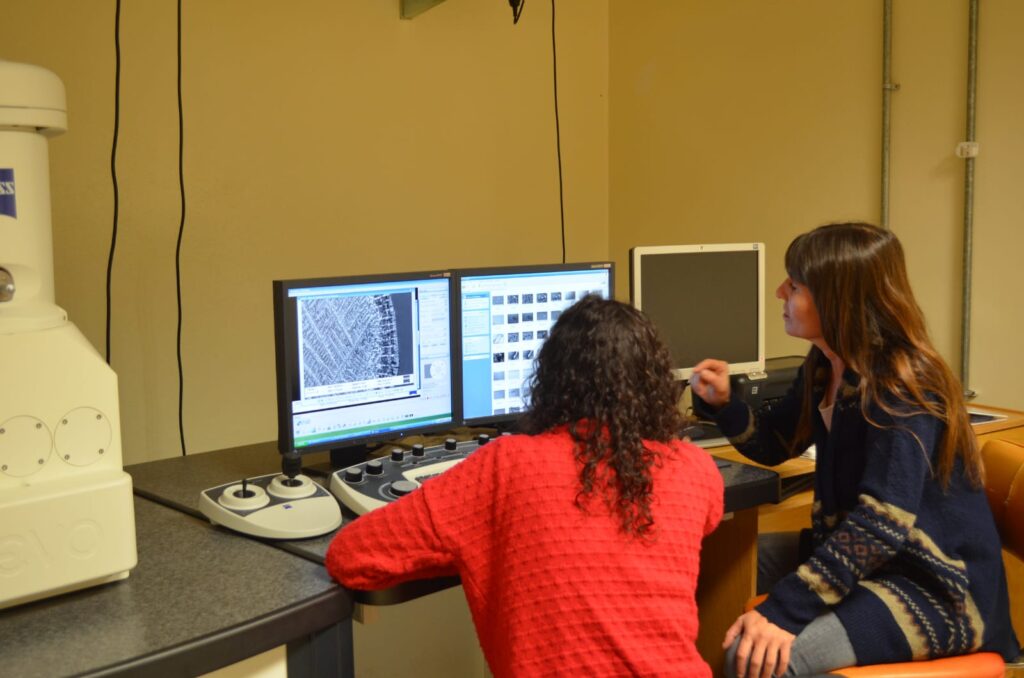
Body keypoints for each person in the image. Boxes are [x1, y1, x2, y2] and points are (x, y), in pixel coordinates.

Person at [326, 295, 724, 677]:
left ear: (552, 379)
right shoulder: (696, 470)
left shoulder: (507, 465)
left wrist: (480, 539)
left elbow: (350, 556)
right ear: (654, 384)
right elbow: (704, 518)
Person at [690, 222, 1020, 678]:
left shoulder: (899, 387)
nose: (780, 292)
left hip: (932, 589)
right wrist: (725, 404)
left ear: (836, 299)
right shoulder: (827, 366)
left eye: (795, 285)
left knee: (759, 662)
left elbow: (880, 524)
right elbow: (775, 444)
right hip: (875, 562)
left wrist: (783, 613)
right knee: (714, 563)